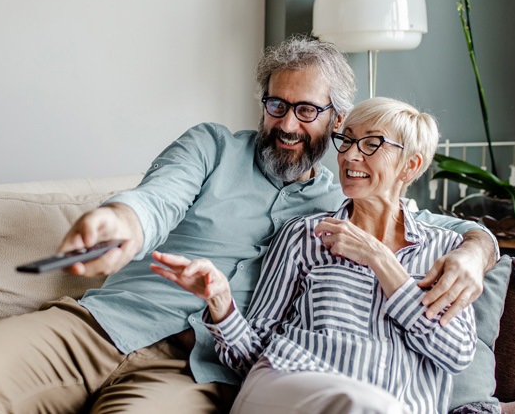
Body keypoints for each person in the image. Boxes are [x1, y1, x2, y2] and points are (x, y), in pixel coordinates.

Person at [0, 37, 496, 413]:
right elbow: (156, 198)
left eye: (307, 110)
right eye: (276, 105)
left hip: (201, 370)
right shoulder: (211, 146)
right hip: (109, 324)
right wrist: (119, 218)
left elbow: (434, 226)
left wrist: (478, 250)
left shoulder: (344, 195)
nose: (288, 124)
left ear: (335, 118)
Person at [152, 97, 482, 414]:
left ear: (410, 165)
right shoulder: (305, 235)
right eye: (347, 141)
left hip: (396, 407)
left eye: (371, 144)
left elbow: (455, 353)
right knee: (367, 407)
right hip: (286, 385)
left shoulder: (445, 250)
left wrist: (380, 261)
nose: (350, 156)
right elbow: (254, 353)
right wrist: (222, 304)